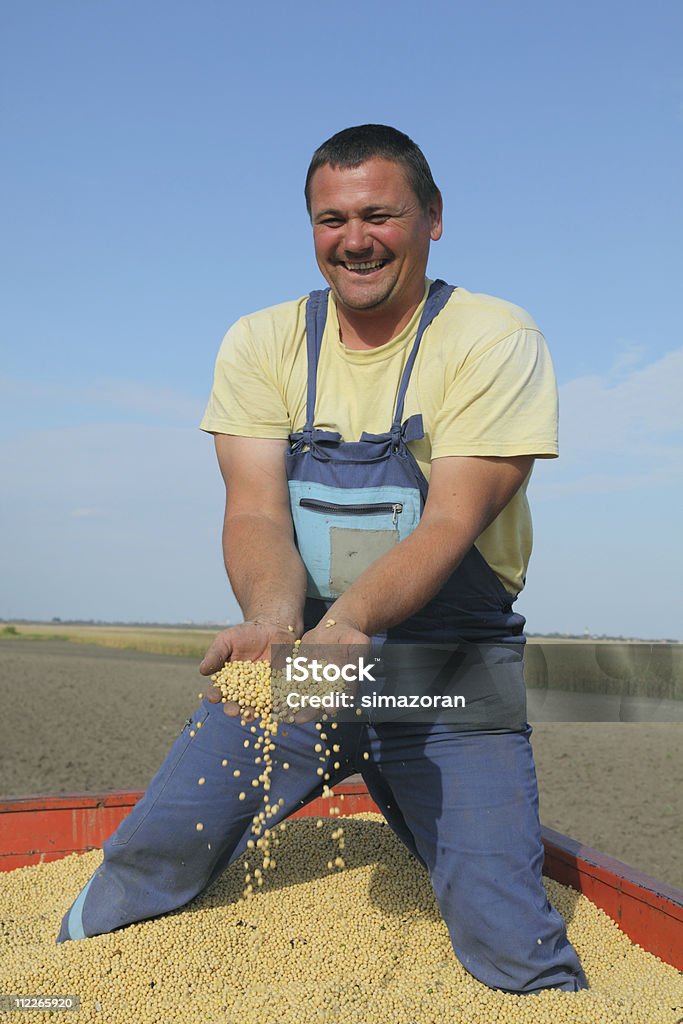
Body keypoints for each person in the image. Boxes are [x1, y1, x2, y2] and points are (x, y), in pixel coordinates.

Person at [57, 124, 587, 995]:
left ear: (432, 218)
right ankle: (46, 983)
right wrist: (276, 622)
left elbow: (453, 520)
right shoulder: (264, 342)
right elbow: (256, 509)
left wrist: (350, 624)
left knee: (503, 927)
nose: (354, 238)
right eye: (330, 218)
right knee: (152, 854)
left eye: (378, 213)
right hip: (302, 657)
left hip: (441, 670)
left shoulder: (493, 338)